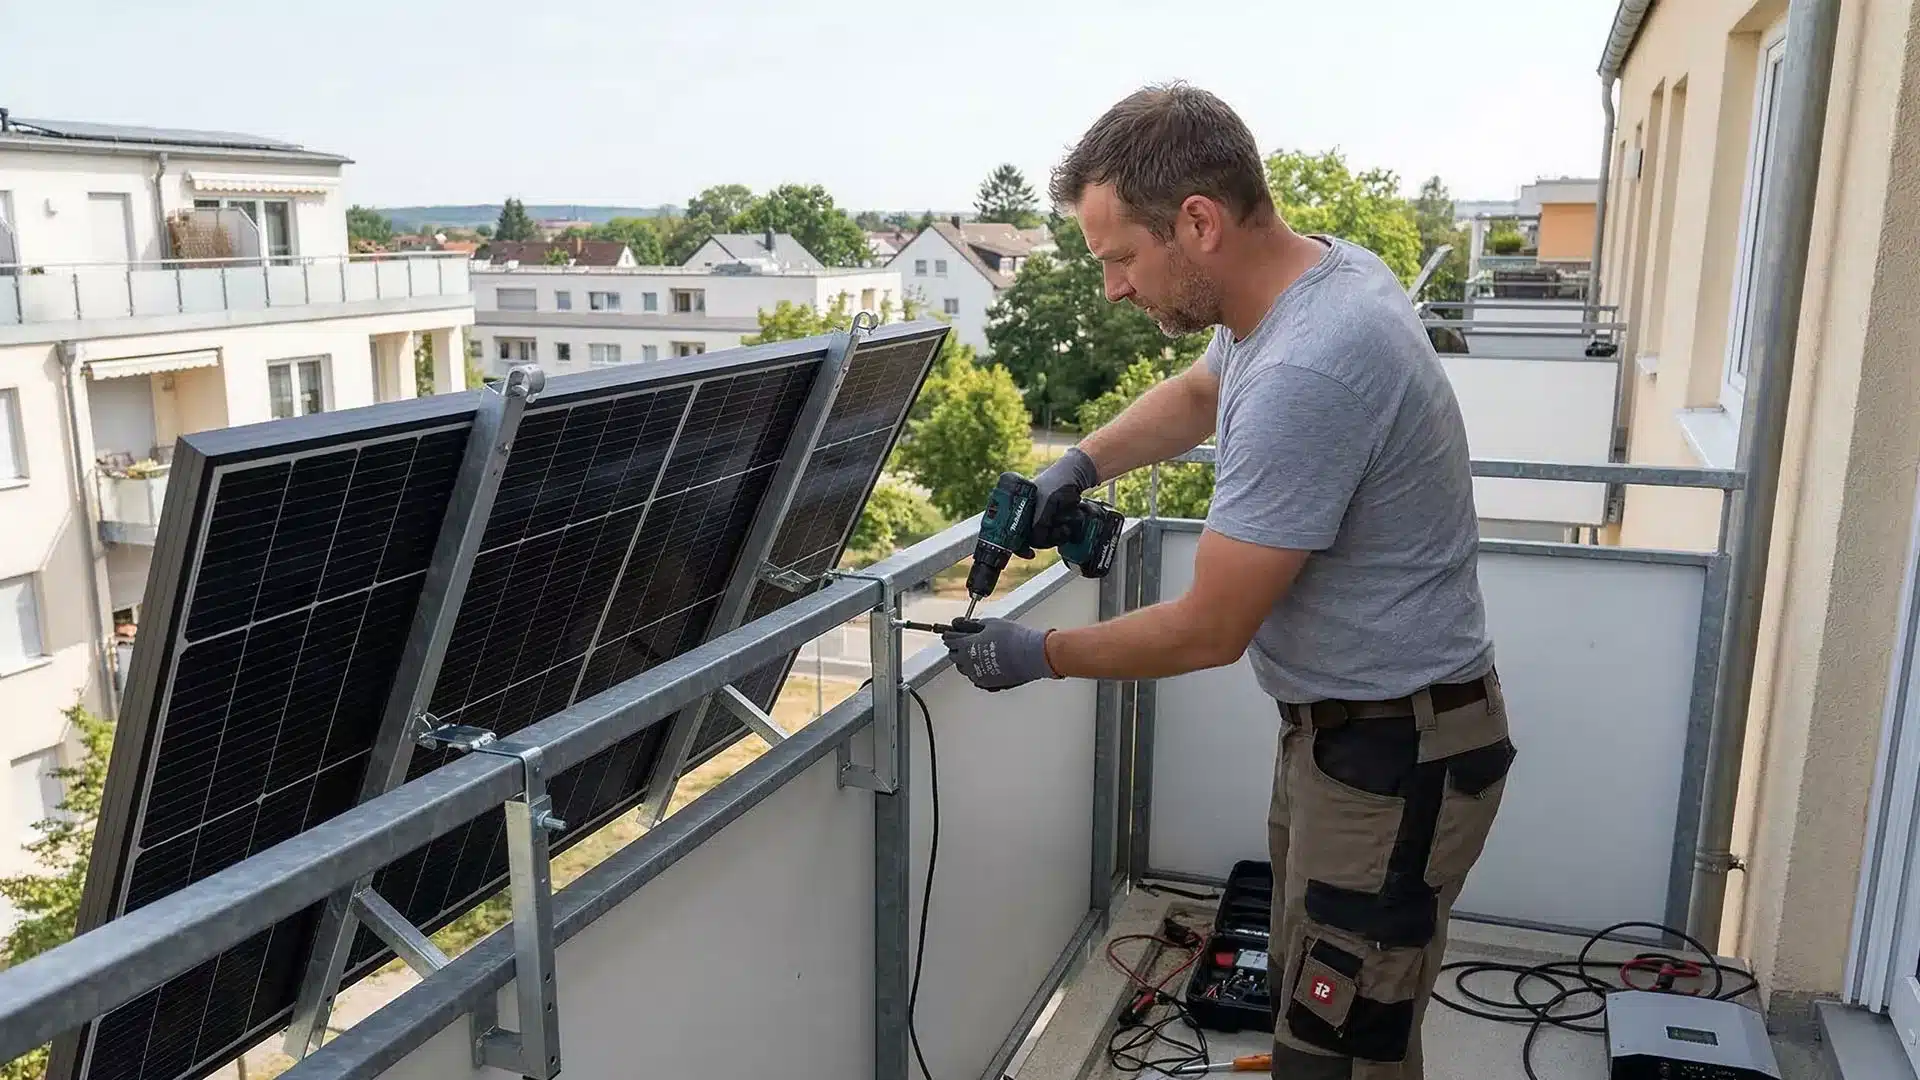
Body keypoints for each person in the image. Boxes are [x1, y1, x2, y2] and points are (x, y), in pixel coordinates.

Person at [939, 83, 1516, 1080]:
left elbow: (1211, 627)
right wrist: (1076, 465)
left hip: (1395, 752)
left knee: (1343, 1045)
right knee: (1323, 997)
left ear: (1198, 224)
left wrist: (1036, 653)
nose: (1113, 288)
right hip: (1348, 740)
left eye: (1121, 257)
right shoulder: (1308, 283)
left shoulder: (1312, 368)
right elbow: (1207, 389)